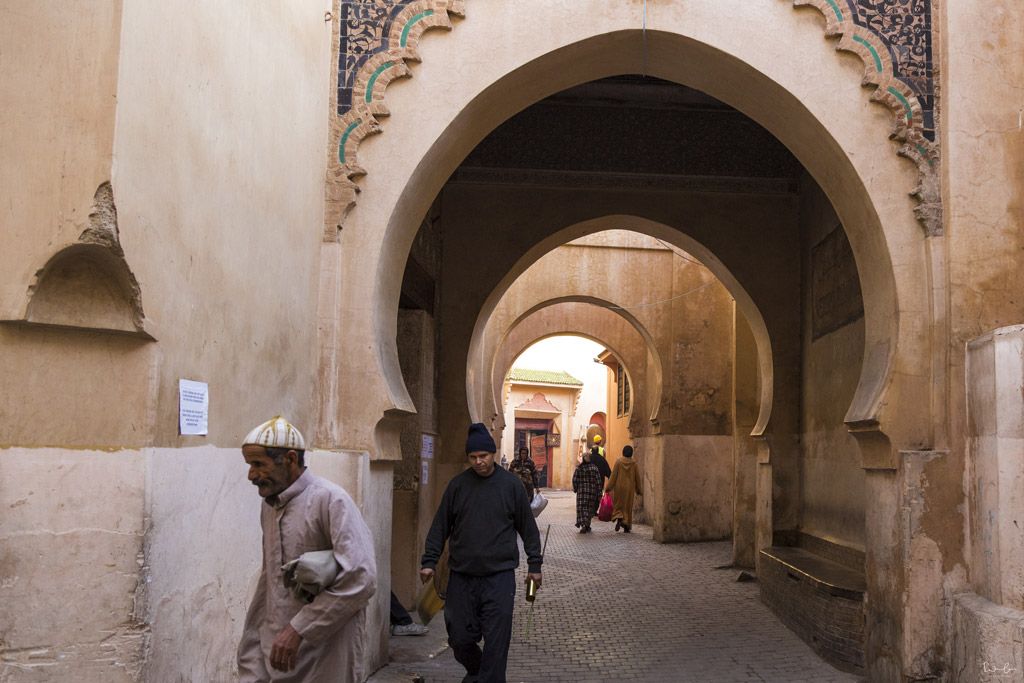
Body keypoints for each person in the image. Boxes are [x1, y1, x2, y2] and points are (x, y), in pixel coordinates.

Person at [237, 416, 378, 683]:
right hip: (275, 648)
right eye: (249, 465)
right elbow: (269, 582)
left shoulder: (331, 500)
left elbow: (362, 577)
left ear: (290, 459)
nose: (251, 475)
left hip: (325, 651)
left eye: (258, 464)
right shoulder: (269, 506)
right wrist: (253, 642)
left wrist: (298, 629)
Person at [420, 423, 543, 683]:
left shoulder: (511, 486)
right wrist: (429, 560)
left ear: (493, 454)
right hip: (462, 577)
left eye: (483, 456)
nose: (479, 462)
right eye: (473, 457)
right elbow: (440, 524)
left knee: (497, 642)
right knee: (459, 638)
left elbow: (528, 529)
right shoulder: (458, 486)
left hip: (499, 578)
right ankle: (477, 672)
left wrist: (535, 565)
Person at [606, 444, 643, 533]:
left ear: (623, 452)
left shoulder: (618, 462)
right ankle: (626, 525)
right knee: (627, 506)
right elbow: (637, 477)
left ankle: (619, 517)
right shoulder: (634, 464)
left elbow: (613, 476)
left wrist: (608, 487)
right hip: (629, 488)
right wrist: (639, 490)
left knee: (619, 504)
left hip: (619, 487)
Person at [572, 449, 602, 534]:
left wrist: (575, 488)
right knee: (590, 508)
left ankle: (584, 525)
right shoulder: (594, 468)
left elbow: (574, 479)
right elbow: (598, 481)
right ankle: (587, 524)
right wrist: (599, 493)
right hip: (592, 492)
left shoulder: (579, 468)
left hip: (581, 492)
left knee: (582, 508)